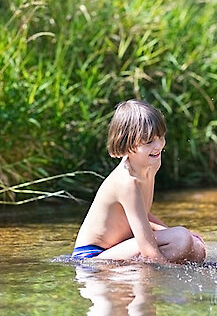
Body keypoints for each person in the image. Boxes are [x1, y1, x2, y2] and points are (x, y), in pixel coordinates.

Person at [72, 99, 206, 264]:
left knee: (197, 249)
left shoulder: (153, 162)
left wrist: (170, 232)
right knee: (181, 239)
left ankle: (136, 273)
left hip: (121, 247)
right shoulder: (127, 182)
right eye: (149, 141)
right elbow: (149, 252)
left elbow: (140, 214)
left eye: (161, 137)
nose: (158, 145)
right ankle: (137, 277)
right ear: (127, 144)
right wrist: (172, 280)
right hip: (92, 258)